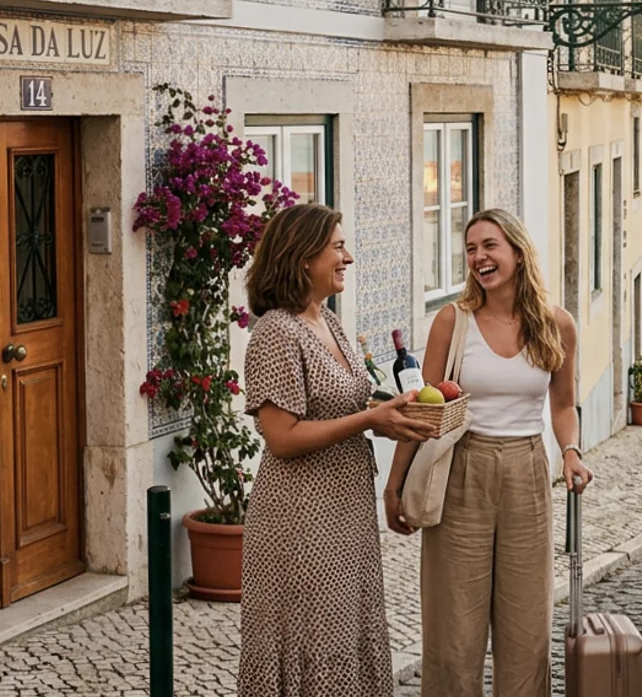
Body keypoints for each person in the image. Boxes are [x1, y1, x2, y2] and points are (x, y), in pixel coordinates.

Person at [384, 209, 592, 697]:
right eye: (472, 248)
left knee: (527, 626)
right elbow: (423, 412)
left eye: (490, 246)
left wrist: (572, 452)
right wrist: (394, 487)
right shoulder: (453, 322)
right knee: (453, 627)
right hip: (461, 468)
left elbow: (562, 406)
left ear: (517, 252)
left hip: (527, 471)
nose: (479, 256)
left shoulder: (556, 325)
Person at [240, 204, 435, 697]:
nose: (347, 257)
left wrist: (388, 416)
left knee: (345, 634)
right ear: (303, 257)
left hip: (345, 510)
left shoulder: (326, 320)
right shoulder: (275, 331)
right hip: (300, 518)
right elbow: (282, 436)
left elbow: (339, 409)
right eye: (337, 247)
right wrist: (370, 419)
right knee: (313, 638)